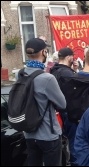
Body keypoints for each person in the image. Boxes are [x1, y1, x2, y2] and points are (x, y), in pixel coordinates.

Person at [19, 38, 66, 166]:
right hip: (48, 134)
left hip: (29, 133)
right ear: (43, 52)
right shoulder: (47, 78)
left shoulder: (22, 73)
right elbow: (62, 104)